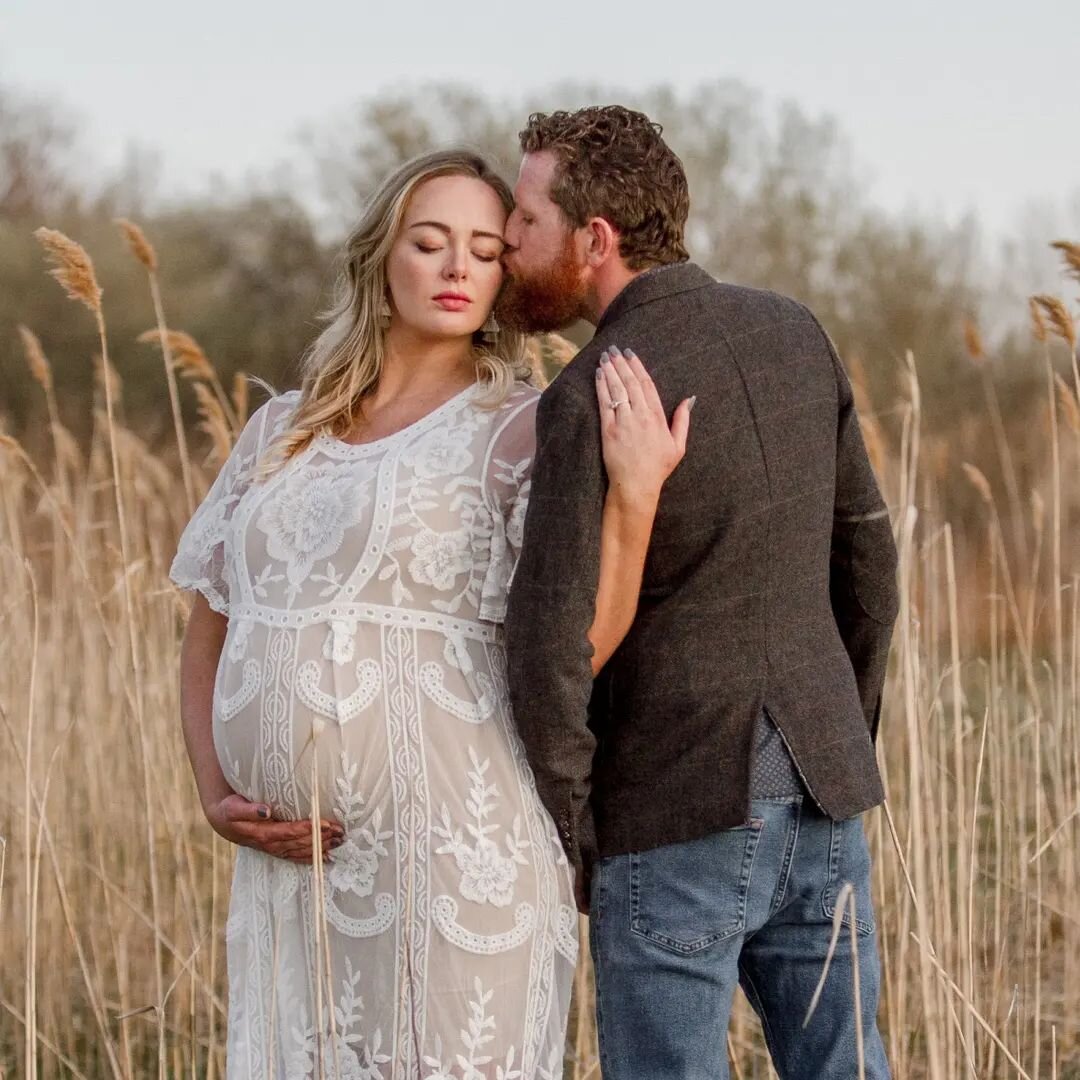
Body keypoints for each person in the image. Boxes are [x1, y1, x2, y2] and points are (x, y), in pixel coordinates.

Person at [169, 148, 690, 1079]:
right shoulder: (279, 431)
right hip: (295, 873)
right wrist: (215, 791)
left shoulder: (525, 427)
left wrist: (639, 500)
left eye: (487, 249)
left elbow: (580, 641)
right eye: (430, 241)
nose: (457, 268)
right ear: (381, 257)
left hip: (454, 860)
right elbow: (211, 618)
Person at [500, 106, 900, 1080]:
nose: (507, 246)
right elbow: (871, 572)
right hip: (823, 796)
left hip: (675, 814)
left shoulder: (586, 391)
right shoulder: (794, 332)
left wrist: (577, 831)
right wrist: (839, 737)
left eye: (523, 221)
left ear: (592, 240)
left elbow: (551, 653)